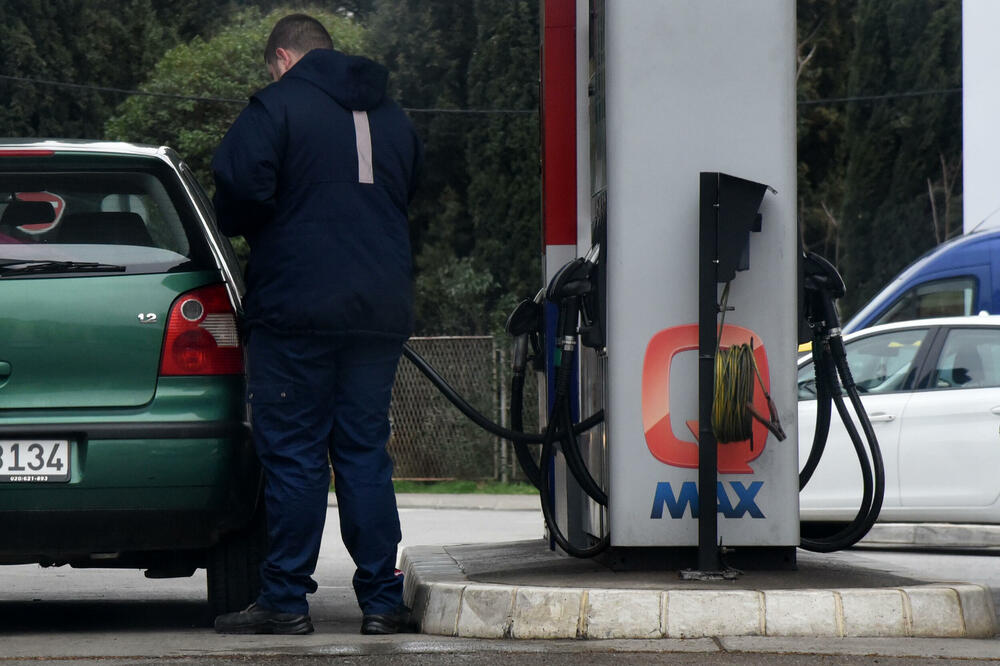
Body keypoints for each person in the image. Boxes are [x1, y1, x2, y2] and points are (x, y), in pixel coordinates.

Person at [210, 13, 422, 636]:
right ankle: (383, 603)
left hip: (295, 309)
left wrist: (263, 225)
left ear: (281, 57)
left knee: (297, 456)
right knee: (362, 452)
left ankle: (285, 600)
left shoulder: (275, 107)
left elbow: (238, 185)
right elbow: (410, 189)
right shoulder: (394, 117)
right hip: (378, 309)